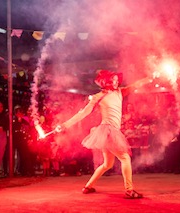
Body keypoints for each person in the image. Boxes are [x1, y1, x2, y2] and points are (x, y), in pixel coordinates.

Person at [55, 70, 152, 199]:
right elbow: (83, 113)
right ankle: (129, 190)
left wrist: (148, 79)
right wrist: (65, 125)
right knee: (125, 158)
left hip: (108, 132)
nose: (117, 82)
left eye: (117, 80)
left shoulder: (119, 92)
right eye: (114, 80)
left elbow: (134, 86)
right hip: (108, 131)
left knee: (107, 164)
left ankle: (88, 186)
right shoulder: (98, 97)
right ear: (106, 82)